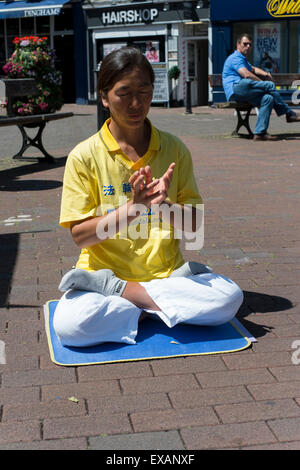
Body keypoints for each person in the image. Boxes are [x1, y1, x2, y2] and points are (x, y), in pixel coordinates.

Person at [53, 46, 243, 347]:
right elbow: (82, 237)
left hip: (167, 275)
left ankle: (135, 303)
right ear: (104, 97)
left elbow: (193, 226)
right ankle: (149, 302)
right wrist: (133, 209)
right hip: (102, 276)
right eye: (124, 92)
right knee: (70, 326)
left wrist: (163, 205)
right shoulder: (84, 156)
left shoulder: (174, 148)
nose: (136, 103)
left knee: (229, 298)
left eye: (144, 91)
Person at [222, 34, 300, 141]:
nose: (248, 46)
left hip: (244, 93)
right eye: (245, 44)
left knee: (268, 99)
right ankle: (289, 113)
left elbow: (252, 69)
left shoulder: (243, 59)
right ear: (238, 45)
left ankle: (260, 133)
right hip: (236, 89)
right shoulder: (235, 58)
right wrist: (263, 83)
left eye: (250, 44)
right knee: (269, 85)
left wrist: (266, 73)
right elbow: (247, 74)